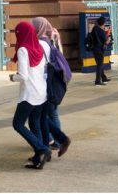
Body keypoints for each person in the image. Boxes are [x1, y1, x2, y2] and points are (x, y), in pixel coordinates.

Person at [9, 21, 51, 169]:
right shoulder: (38, 47)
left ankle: (42, 149)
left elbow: (23, 76)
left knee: (18, 124)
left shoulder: (23, 50)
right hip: (41, 92)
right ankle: (37, 157)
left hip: (29, 94)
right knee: (35, 123)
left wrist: (13, 77)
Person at [33, 16, 71, 156]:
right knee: (51, 113)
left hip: (46, 84)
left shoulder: (41, 43)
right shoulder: (52, 37)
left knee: (41, 115)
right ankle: (56, 140)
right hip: (55, 83)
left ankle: (54, 140)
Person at [90, 16, 109, 86]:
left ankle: (103, 77)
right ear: (103, 23)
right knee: (99, 65)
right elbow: (106, 42)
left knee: (100, 63)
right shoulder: (101, 31)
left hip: (94, 49)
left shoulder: (94, 29)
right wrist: (108, 40)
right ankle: (98, 80)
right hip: (100, 49)